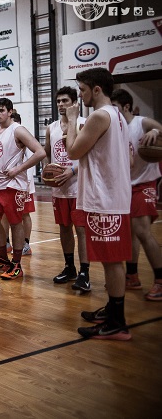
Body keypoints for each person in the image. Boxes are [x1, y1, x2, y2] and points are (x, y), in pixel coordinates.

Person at [66, 67, 132, 340]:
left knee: (112, 261)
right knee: (110, 261)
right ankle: (112, 309)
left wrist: (71, 121)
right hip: (113, 196)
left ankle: (117, 323)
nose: (79, 96)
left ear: (96, 90)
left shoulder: (98, 117)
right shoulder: (118, 117)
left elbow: (72, 151)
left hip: (104, 200)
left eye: (82, 90)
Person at [0, 98, 45, 280]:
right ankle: (3, 258)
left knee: (15, 223)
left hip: (13, 185)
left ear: (10, 112)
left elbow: (40, 152)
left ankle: (17, 264)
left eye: (1, 110)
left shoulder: (18, 130)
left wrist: (18, 169)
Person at [111, 88, 162, 301]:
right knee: (130, 232)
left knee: (142, 231)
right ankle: (132, 275)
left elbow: (159, 127)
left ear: (126, 107)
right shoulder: (117, 128)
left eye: (115, 108)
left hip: (145, 183)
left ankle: (160, 280)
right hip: (125, 185)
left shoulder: (141, 123)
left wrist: (156, 132)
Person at [45, 87, 91, 291]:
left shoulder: (85, 124)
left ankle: (85, 273)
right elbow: (46, 151)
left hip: (80, 187)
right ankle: (70, 267)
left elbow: (89, 155)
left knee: (81, 230)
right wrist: (48, 171)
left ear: (74, 103)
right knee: (64, 229)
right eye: (58, 101)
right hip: (59, 189)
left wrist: (71, 171)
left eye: (65, 101)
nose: (61, 104)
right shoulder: (51, 128)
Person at [0, 111, 35, 257]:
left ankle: (26, 244)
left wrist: (27, 185)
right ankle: (5, 244)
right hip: (2, 184)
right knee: (3, 217)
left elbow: (31, 162)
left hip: (22, 184)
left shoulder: (21, 134)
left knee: (23, 216)